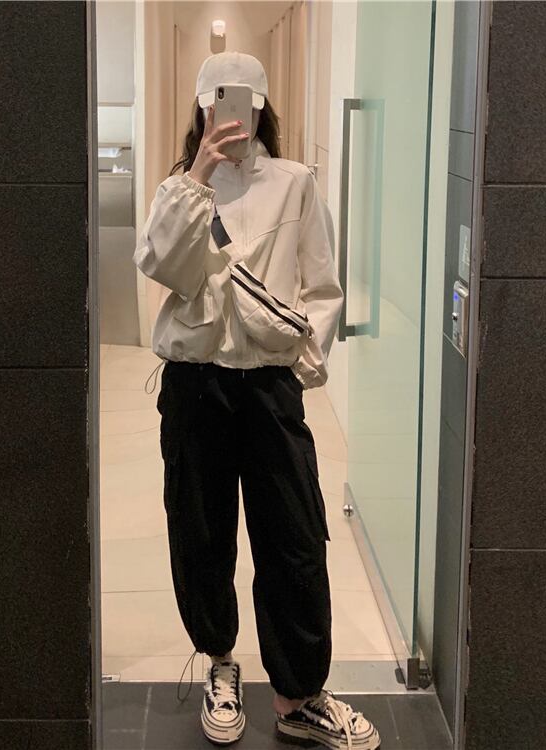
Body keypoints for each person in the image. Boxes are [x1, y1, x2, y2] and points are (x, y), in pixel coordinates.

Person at [133, 51, 381, 750]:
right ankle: (220, 662)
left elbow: (322, 286)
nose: (230, 117)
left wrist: (297, 365)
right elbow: (159, 263)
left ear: (262, 107)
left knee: (294, 538)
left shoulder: (295, 183)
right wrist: (198, 176)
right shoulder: (179, 189)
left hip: (269, 388)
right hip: (196, 383)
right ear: (201, 109)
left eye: (242, 103)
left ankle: (299, 696)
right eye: (216, 103)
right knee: (201, 533)